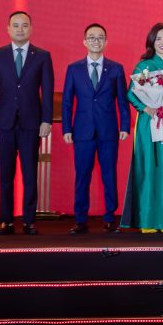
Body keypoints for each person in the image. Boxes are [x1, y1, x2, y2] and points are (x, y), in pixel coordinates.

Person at [0, 11, 54, 235]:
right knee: (6, 175)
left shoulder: (42, 56)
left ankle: (29, 220)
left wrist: (46, 120)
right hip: (3, 123)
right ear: (8, 29)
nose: (20, 29)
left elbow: (47, 91)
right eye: (16, 25)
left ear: (31, 28)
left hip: (31, 124)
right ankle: (6, 221)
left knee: (30, 174)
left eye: (24, 25)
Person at [61, 23, 131, 235]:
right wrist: (67, 128)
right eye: (91, 37)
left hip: (108, 131)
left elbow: (122, 101)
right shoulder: (74, 69)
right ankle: (80, 219)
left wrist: (125, 125)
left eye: (100, 37)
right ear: (84, 41)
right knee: (82, 176)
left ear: (106, 42)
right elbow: (67, 102)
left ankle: (110, 218)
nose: (96, 41)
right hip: (82, 131)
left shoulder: (116, 69)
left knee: (109, 175)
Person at [121, 23, 163, 233]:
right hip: (148, 123)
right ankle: (147, 220)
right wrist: (146, 108)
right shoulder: (143, 66)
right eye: (158, 38)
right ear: (151, 42)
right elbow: (131, 93)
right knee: (148, 167)